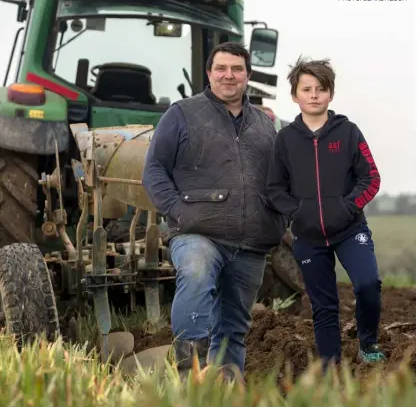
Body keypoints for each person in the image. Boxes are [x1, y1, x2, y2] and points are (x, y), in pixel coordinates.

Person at [142, 42, 287, 380]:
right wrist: (179, 213)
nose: (229, 75)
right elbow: (154, 171)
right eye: (221, 68)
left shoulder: (266, 126)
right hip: (198, 232)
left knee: (234, 325)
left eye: (237, 69)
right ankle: (188, 373)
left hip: (251, 242)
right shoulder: (181, 114)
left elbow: (284, 181)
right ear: (209, 74)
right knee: (194, 275)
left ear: (248, 76)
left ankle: (226, 394)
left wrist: (279, 221)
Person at [266, 56, 386, 368]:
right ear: (295, 96)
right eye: (307, 89)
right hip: (308, 236)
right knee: (323, 305)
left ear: (330, 93)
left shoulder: (348, 132)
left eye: (321, 88)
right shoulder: (286, 139)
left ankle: (368, 341)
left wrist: (347, 207)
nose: (315, 94)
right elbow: (275, 188)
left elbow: (371, 178)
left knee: (367, 284)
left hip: (350, 229)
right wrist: (297, 213)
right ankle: (330, 364)